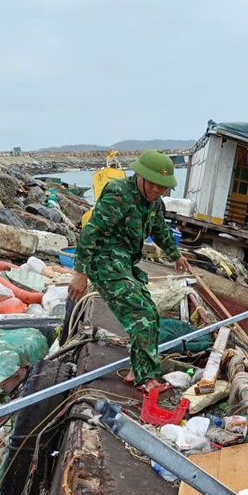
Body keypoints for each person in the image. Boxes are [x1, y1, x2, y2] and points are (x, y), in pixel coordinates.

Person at [68, 150, 191, 393]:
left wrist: (176, 255)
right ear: (141, 176)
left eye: (163, 187)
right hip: (104, 261)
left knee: (152, 314)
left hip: (125, 263)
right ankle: (146, 380)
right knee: (141, 315)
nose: (157, 190)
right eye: (154, 184)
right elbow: (91, 231)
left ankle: (137, 368)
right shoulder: (119, 194)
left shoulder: (154, 203)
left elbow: (159, 230)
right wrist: (80, 273)